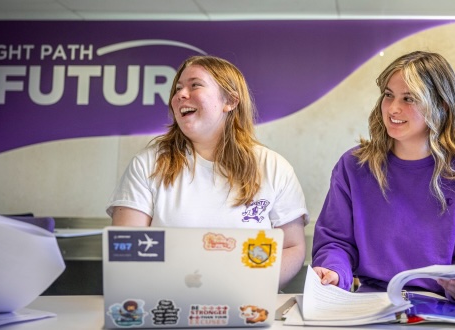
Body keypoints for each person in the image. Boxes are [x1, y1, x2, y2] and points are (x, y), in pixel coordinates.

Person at [311, 51, 455, 304]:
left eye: (409, 98)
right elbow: (335, 242)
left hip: (448, 309)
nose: (393, 108)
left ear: (441, 106)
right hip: (372, 306)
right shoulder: (354, 166)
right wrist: (334, 271)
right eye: (388, 95)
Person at [106, 55, 308, 289]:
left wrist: (250, 285)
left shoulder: (273, 167)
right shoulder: (147, 164)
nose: (181, 94)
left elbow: (292, 247)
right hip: (167, 306)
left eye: (195, 85)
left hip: (248, 308)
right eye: (178, 88)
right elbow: (125, 249)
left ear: (230, 101)